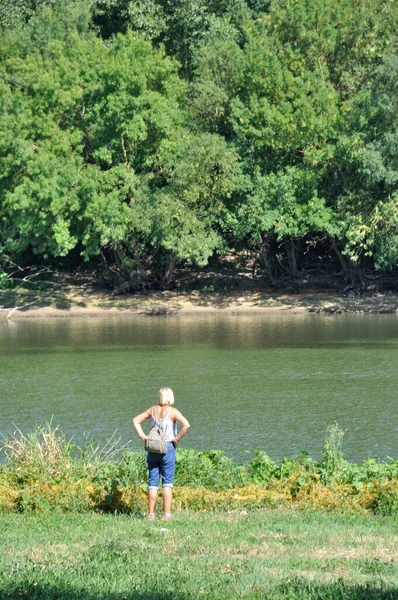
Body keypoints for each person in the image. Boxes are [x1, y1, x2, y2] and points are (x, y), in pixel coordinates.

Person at [132, 387, 190, 520]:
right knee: (167, 482)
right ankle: (166, 515)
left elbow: (135, 421)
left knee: (152, 482)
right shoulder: (173, 411)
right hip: (167, 447)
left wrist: (144, 437)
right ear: (170, 397)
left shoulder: (152, 410)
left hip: (152, 447)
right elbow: (186, 425)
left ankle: (151, 514)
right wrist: (176, 438)